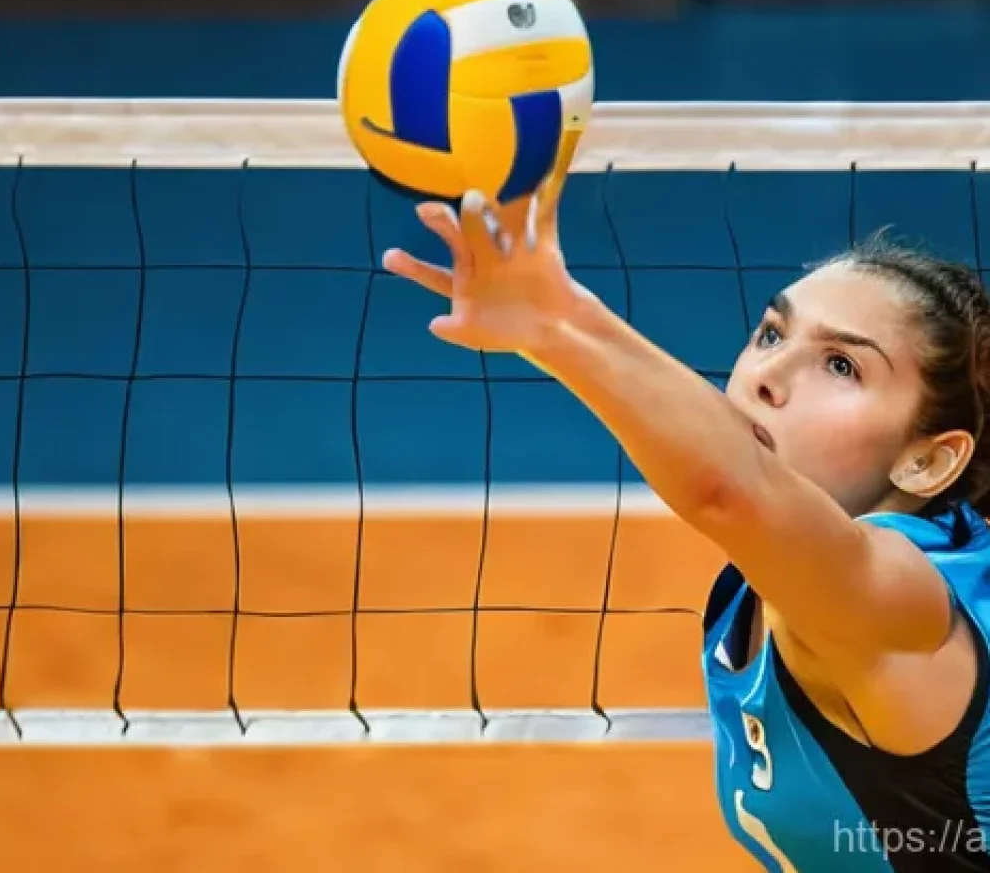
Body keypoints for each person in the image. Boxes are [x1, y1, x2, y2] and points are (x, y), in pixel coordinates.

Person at [382, 178, 990, 871]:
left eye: (841, 365)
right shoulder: (763, 590)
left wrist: (555, 328)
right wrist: (552, 320)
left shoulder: (900, 605)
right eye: (770, 333)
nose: (766, 375)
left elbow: (726, 489)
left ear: (927, 462)